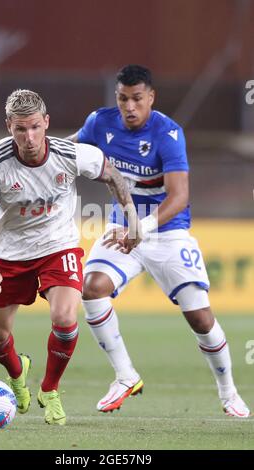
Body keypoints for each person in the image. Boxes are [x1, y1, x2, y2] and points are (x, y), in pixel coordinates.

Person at [67, 64, 250, 417]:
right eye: (123, 99)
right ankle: (124, 375)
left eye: (137, 98)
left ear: (151, 97)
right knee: (91, 288)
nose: (129, 107)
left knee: (200, 319)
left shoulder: (168, 133)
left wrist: (143, 228)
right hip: (121, 230)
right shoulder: (99, 123)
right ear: (116, 98)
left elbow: (179, 196)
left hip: (167, 233)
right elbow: (65, 150)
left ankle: (229, 394)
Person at [0, 89, 141, 426]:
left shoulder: (69, 154)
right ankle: (18, 377)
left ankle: (50, 389)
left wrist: (132, 220)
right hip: (10, 254)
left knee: (64, 318)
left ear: (46, 123)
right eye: (20, 129)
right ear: (9, 127)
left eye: (35, 127)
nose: (29, 137)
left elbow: (112, 175)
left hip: (57, 246)